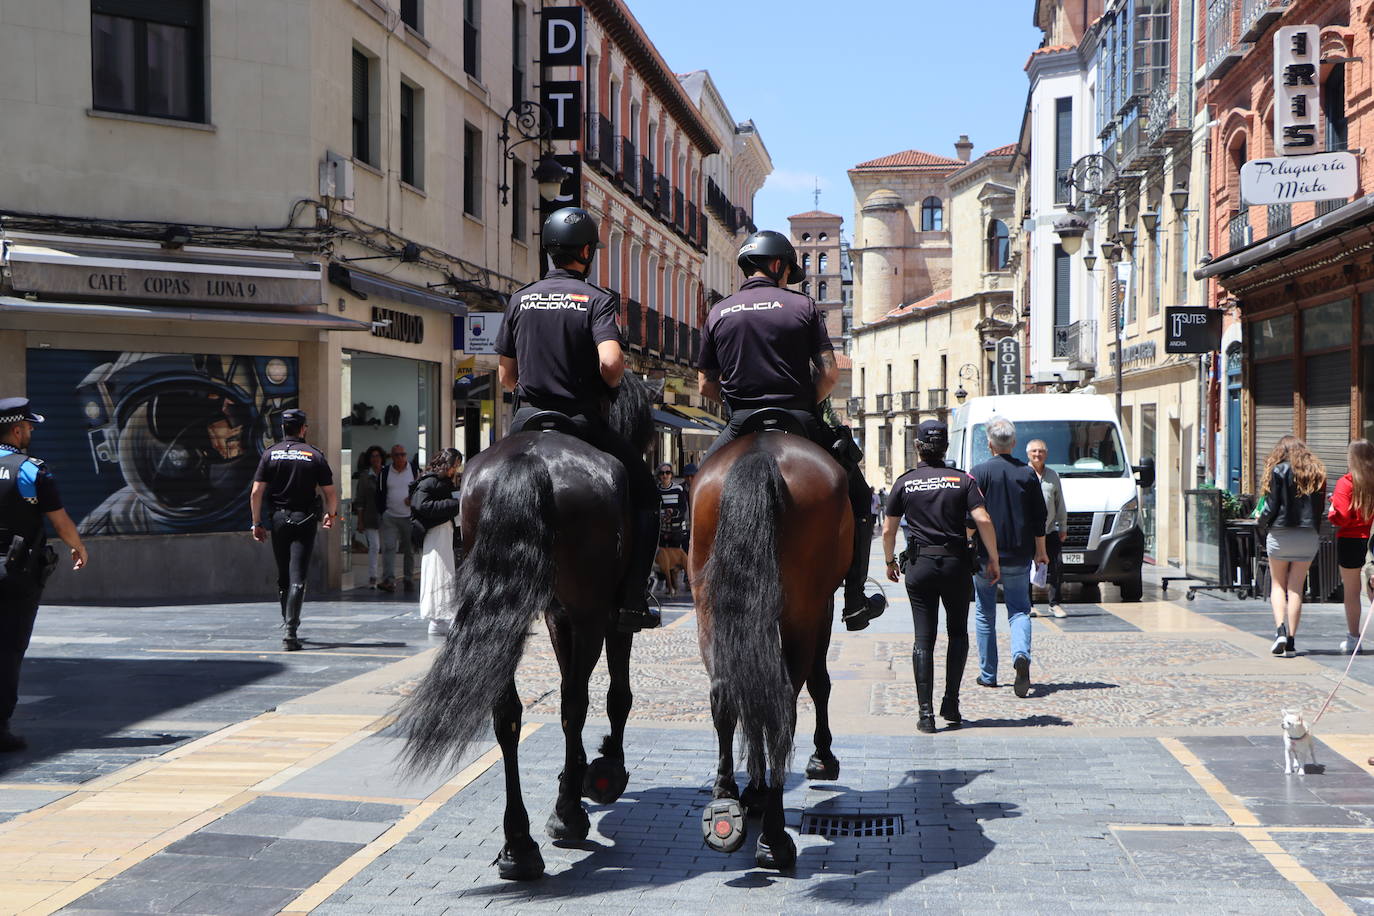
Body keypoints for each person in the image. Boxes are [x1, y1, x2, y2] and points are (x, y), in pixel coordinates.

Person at [695, 229, 884, 630]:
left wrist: (734, 403)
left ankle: (697, 589)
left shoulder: (719, 312)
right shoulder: (803, 306)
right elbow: (830, 374)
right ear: (778, 265)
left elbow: (704, 386)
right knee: (859, 496)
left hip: (741, 421)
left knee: (699, 491)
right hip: (797, 419)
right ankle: (853, 599)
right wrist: (803, 402)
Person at [496, 206, 660, 632]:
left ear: (549, 250)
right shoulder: (597, 300)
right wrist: (608, 385)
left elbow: (507, 376)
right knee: (646, 495)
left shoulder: (520, 298)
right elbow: (611, 362)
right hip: (582, 422)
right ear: (586, 250)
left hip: (526, 421)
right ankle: (635, 595)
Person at [882, 420, 1000, 733]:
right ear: (945, 447)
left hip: (920, 566)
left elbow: (888, 529)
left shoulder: (906, 482)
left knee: (924, 638)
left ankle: (925, 715)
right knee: (958, 632)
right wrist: (994, 558)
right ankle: (951, 701)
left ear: (917, 447)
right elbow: (983, 519)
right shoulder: (962, 480)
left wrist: (890, 561)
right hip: (956, 565)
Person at [0, 398, 88, 752]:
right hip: (16, 572)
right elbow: (59, 519)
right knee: (8, 649)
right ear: (17, 429)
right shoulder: (31, 469)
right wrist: (78, 546)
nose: (32, 433)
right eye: (30, 427)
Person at [969, 416, 1048, 698]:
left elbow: (971, 518)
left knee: (984, 612)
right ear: (1013, 444)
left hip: (986, 556)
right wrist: (1041, 550)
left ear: (990, 444)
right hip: (1018, 553)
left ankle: (988, 674)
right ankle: (1020, 655)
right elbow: (1040, 516)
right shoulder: (1027, 474)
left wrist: (967, 543)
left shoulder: (978, 473)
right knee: (1019, 609)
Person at [251, 409, 337, 650]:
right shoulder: (314, 455)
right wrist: (331, 515)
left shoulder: (270, 454)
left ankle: (286, 621)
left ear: (282, 429)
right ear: (303, 429)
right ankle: (291, 630)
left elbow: (256, 491)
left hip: (278, 520)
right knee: (299, 577)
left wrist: (256, 522)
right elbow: (330, 492)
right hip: (305, 520)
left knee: (284, 576)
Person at [1260, 435, 1326, 658]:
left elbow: (1272, 505)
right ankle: (1291, 641)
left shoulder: (1278, 471)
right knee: (1296, 587)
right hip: (1307, 534)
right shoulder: (1316, 472)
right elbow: (1319, 508)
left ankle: (1280, 630)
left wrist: (1261, 523)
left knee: (1278, 584)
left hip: (1281, 533)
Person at [1329, 439, 1374, 654]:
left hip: (1350, 539)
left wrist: (1332, 511)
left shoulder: (1346, 483)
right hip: (1372, 539)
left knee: (1352, 591)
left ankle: (1354, 637)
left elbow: (1342, 516)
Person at [413, 448, 463, 637]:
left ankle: (442, 616)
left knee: (444, 572)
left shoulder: (440, 482)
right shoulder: (429, 482)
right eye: (454, 466)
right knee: (438, 571)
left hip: (443, 531)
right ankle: (437, 618)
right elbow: (422, 506)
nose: (455, 471)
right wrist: (454, 504)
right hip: (435, 533)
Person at [1026, 439, 1068, 619]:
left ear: (1046, 453)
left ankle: (1055, 604)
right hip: (1027, 532)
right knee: (1027, 568)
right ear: (1028, 454)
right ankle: (1028, 605)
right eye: (1034, 451)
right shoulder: (1022, 474)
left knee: (1057, 566)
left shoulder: (1053, 476)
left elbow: (1060, 503)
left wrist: (1063, 526)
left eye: (1041, 451)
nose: (1037, 454)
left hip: (1049, 530)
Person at [376, 444, 417, 593]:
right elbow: (379, 493)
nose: (401, 458)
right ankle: (388, 580)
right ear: (392, 457)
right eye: (397, 455)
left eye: (403, 454)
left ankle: (408, 579)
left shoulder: (413, 470)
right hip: (390, 517)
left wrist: (412, 499)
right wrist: (383, 511)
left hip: (408, 517)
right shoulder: (385, 472)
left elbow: (419, 490)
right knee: (389, 548)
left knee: (409, 550)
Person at [353, 445, 386, 588]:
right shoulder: (365, 477)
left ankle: (386, 576)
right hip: (370, 517)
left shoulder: (387, 473)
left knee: (387, 546)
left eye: (377, 456)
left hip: (388, 516)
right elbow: (360, 500)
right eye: (372, 456)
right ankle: (373, 576)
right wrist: (360, 521)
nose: (375, 459)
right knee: (374, 546)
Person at [656, 462, 690, 549]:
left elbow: (683, 509)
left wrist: (673, 513)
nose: (665, 475)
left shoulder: (678, 489)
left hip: (677, 531)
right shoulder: (656, 491)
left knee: (676, 558)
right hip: (662, 532)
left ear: (671, 475)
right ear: (659, 476)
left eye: (667, 472)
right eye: (662, 473)